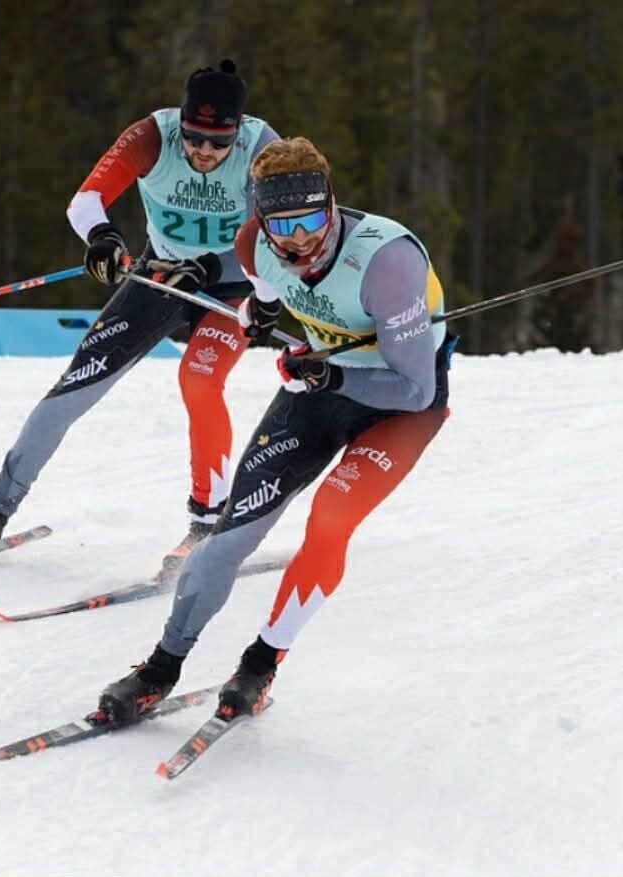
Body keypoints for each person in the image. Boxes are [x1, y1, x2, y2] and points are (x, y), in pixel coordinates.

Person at [98, 136, 457, 722]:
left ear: (333, 205)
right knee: (229, 536)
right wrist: (259, 317)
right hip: (318, 388)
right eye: (281, 225)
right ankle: (159, 669)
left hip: (399, 409)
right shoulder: (254, 246)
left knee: (331, 518)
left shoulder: (389, 262)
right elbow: (262, 298)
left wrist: (327, 375)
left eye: (313, 219)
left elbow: (414, 389)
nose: (299, 239)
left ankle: (259, 664)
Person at [0, 60, 280, 566]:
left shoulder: (260, 148)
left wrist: (211, 271)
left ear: (238, 131)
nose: (204, 151)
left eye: (218, 142)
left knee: (199, 379)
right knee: (71, 391)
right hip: (159, 273)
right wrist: (103, 237)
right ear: (182, 122)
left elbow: (269, 240)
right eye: (195, 137)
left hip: (236, 284)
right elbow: (85, 201)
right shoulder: (151, 136)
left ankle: (209, 522)